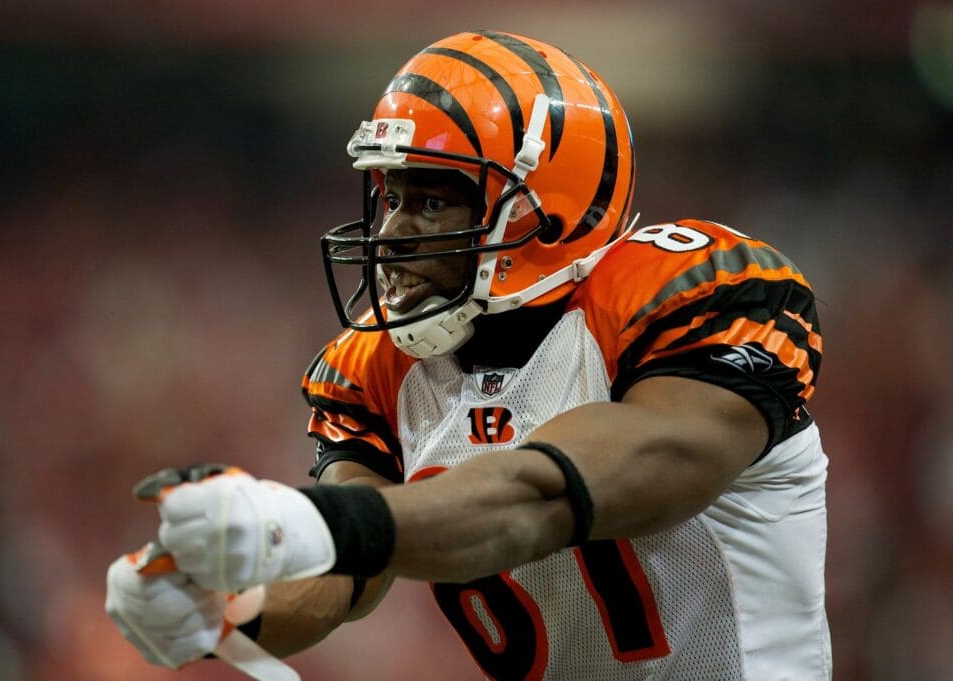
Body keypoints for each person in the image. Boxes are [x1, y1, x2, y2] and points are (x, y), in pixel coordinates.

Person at [106, 30, 830, 680]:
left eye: (431, 200)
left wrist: (312, 523)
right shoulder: (381, 366)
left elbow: (538, 499)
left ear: (545, 209)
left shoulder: (691, 297)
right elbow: (340, 572)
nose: (391, 231)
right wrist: (224, 604)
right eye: (391, 195)